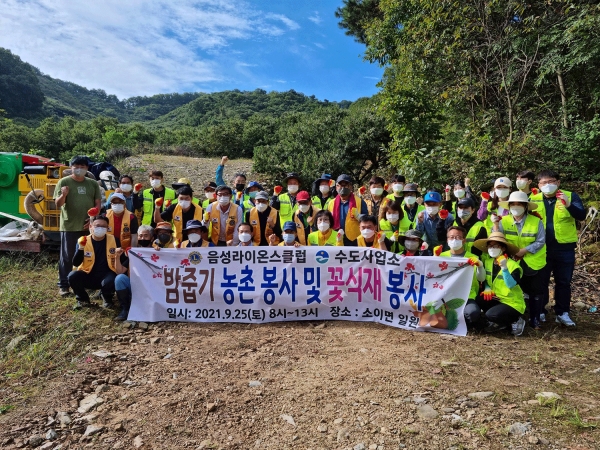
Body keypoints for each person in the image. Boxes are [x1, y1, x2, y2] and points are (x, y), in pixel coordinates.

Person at [531, 170, 586, 326]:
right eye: (544, 183)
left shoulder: (570, 196)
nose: (548, 185)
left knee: (563, 282)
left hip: (564, 248)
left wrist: (568, 205)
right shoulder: (533, 199)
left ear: (558, 182)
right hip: (541, 248)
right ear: (538, 185)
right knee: (541, 282)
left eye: (551, 182)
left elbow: (581, 215)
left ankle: (562, 313)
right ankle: (540, 311)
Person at [494, 191, 546, 329]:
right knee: (513, 289)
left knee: (535, 291)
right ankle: (515, 318)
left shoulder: (536, 221)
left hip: (532, 261)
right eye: (513, 204)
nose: (516, 206)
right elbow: (498, 239)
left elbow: (541, 241)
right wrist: (495, 225)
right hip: (511, 261)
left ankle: (535, 319)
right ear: (509, 206)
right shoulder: (504, 221)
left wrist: (525, 250)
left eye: (519, 204)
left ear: (526, 206)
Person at [54, 155, 102, 297]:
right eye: (76, 167)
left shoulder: (92, 184)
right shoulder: (64, 182)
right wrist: (64, 195)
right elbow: (58, 204)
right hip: (70, 225)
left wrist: (92, 219)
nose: (79, 169)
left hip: (88, 227)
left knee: (89, 255)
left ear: (87, 168)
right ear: (71, 168)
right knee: (67, 257)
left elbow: (97, 203)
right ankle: (64, 285)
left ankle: (87, 283)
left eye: (82, 167)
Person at [472, 232, 527, 336]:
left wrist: (505, 269)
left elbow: (511, 284)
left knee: (490, 315)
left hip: (511, 302)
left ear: (503, 248)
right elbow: (483, 280)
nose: (492, 248)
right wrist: (487, 288)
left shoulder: (512, 265)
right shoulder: (488, 262)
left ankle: (516, 319)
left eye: (496, 246)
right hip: (495, 298)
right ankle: (500, 322)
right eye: (490, 246)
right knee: (478, 300)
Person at [68, 215, 126, 310]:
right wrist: (80, 249)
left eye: (103, 226)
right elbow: (76, 263)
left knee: (111, 280)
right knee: (72, 276)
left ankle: (107, 299)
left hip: (107, 274)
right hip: (88, 273)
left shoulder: (114, 240)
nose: (100, 228)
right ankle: (83, 300)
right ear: (91, 227)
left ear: (107, 228)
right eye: (97, 225)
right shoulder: (83, 240)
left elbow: (123, 259)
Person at [437, 226, 486, 328]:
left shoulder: (473, 258)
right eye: (451, 237)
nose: (454, 240)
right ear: (447, 240)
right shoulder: (441, 256)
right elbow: (433, 276)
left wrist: (480, 265)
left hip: (467, 296)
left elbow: (481, 279)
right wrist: (434, 258)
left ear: (464, 240)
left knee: (473, 313)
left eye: (458, 237)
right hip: (444, 295)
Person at [113, 225, 154, 321]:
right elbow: (120, 271)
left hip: (152, 288)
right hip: (135, 286)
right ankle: (125, 309)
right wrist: (117, 257)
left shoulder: (157, 251)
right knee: (120, 279)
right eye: (140, 236)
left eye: (146, 236)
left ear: (152, 238)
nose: (143, 238)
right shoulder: (133, 252)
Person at [328, 174, 368, 246]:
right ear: (336, 187)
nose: (343, 188)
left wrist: (360, 217)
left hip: (354, 239)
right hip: (336, 237)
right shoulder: (331, 203)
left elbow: (367, 220)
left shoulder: (360, 202)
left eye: (345, 185)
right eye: (340, 185)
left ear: (351, 187)